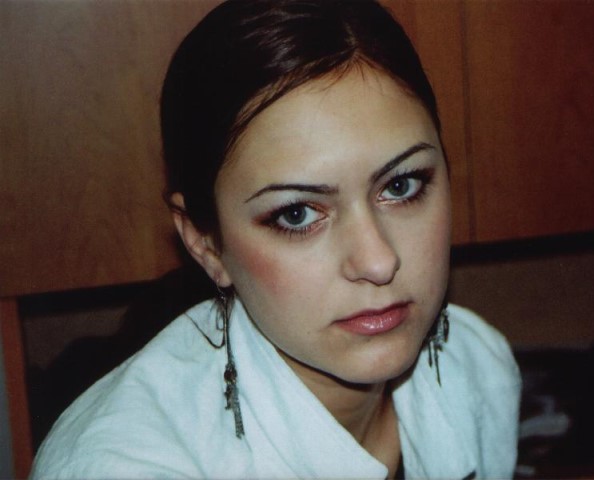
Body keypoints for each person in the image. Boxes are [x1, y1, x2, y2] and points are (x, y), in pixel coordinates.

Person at [31, 0, 521, 478]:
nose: (378, 261)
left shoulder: (478, 368)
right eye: (296, 213)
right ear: (205, 243)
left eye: (400, 186)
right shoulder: (120, 466)